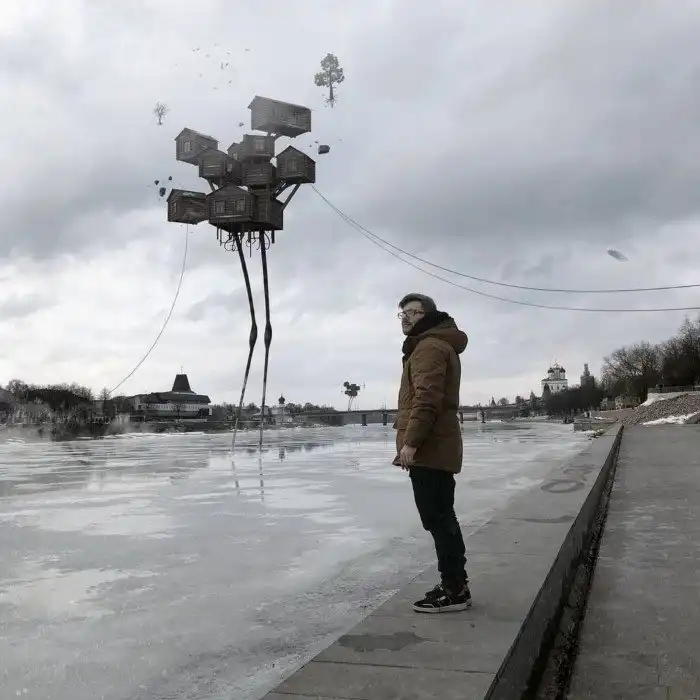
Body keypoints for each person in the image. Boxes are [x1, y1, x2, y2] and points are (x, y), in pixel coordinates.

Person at [393, 293, 471, 613]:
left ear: (428, 316)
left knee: (438, 518)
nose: (406, 317)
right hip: (436, 445)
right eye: (402, 313)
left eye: (413, 312)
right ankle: (456, 584)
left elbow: (426, 399)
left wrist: (411, 443)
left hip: (431, 447)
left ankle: (454, 589)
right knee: (441, 517)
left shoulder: (429, 347)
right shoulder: (431, 345)